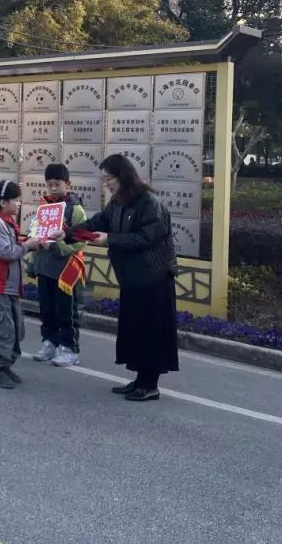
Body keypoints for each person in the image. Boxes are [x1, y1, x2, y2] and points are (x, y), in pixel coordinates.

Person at [72, 154, 179, 402]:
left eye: (109, 179)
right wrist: (68, 232)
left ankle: (150, 385)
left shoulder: (149, 203)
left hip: (154, 279)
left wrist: (110, 239)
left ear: (123, 176)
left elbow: (147, 238)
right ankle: (140, 380)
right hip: (132, 278)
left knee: (151, 332)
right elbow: (99, 221)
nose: (106, 184)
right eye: (104, 180)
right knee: (135, 330)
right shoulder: (118, 202)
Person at [0, 180, 44, 389]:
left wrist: (31, 245)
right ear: (3, 202)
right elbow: (4, 252)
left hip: (8, 284)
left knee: (15, 328)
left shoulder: (5, 222)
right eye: (16, 200)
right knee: (2, 329)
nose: (19, 203)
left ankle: (4, 365)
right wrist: (27, 246)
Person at [29, 163, 89, 368]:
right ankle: (49, 342)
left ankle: (69, 348)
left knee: (66, 311)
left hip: (66, 268)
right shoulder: (43, 207)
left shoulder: (75, 209)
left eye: (57, 184)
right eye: (49, 184)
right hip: (45, 265)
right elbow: (35, 234)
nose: (53, 188)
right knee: (46, 309)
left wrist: (59, 246)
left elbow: (82, 240)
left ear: (68, 185)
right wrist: (33, 262)